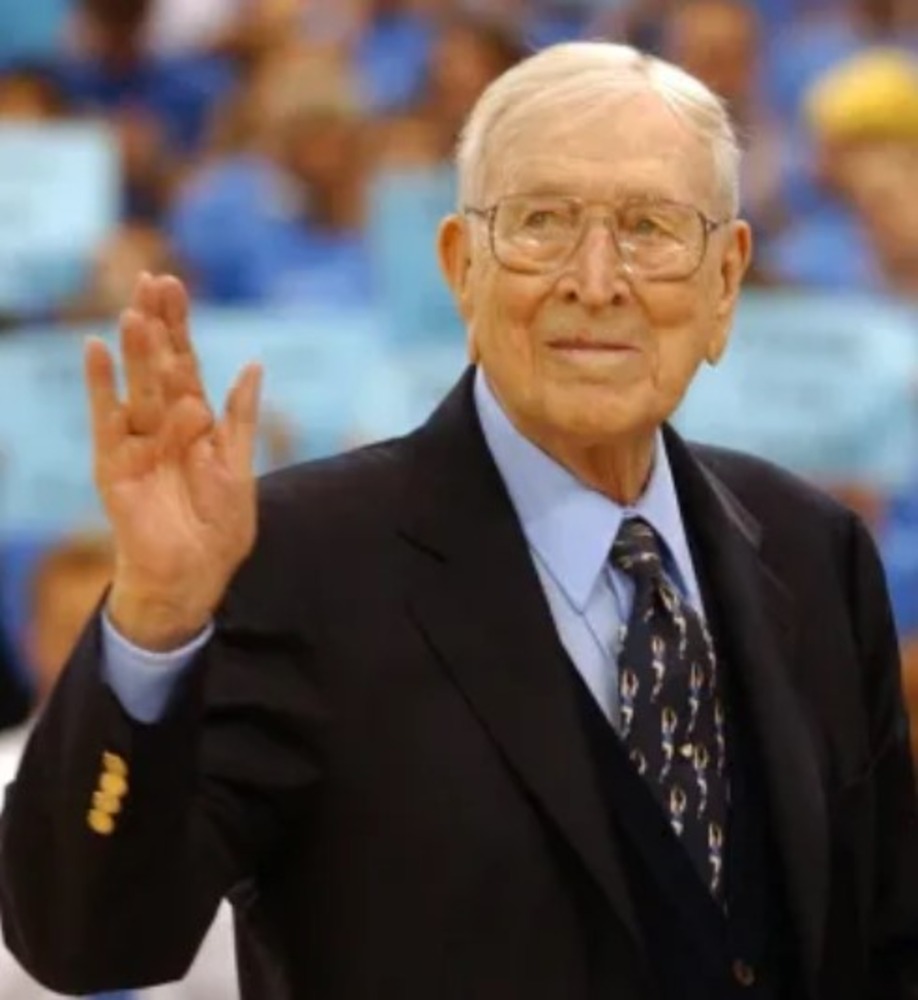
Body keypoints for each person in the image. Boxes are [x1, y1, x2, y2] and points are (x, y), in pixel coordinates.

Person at [2, 40, 918, 1000]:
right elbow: (88, 945)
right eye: (543, 223)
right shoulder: (294, 560)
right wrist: (152, 621)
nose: (596, 279)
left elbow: (881, 945)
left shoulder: (816, 548)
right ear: (459, 268)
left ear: (725, 283)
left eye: (650, 227)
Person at [0, 532, 240, 1000]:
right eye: (72, 630)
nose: (95, 658)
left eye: (118, 635)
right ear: (30, 638)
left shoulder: (225, 779)